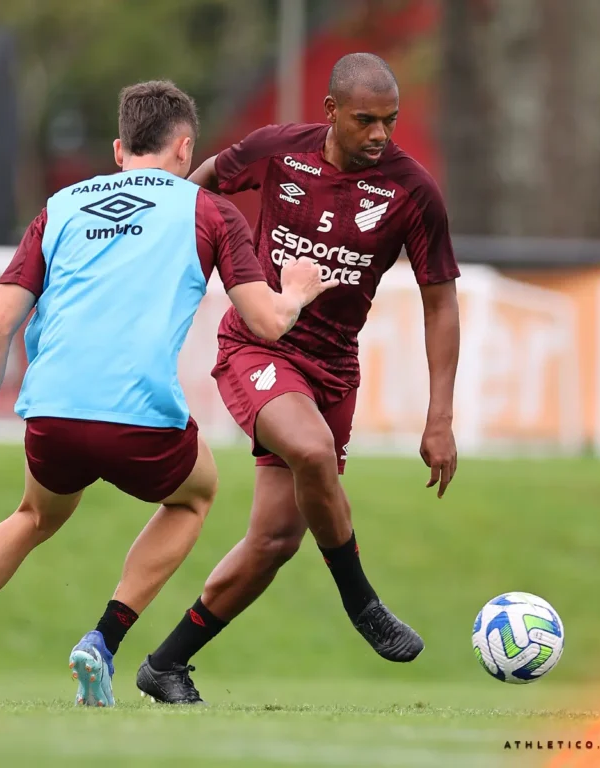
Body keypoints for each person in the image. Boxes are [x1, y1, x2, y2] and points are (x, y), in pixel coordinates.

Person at [0, 80, 334, 707]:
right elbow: (267, 323)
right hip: (139, 419)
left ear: (118, 148)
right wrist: (296, 290)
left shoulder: (60, 207)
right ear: (184, 148)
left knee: (33, 516)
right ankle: (102, 642)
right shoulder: (209, 211)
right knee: (195, 496)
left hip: (52, 413)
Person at [140, 53, 461, 705]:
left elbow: (441, 302)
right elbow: (203, 182)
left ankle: (164, 666)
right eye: (366, 120)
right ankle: (362, 602)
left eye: (390, 121)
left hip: (334, 370)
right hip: (258, 345)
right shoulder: (278, 150)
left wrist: (440, 419)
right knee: (311, 450)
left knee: (274, 541)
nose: (380, 134)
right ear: (331, 111)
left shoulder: (412, 191)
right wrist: (172, 249)